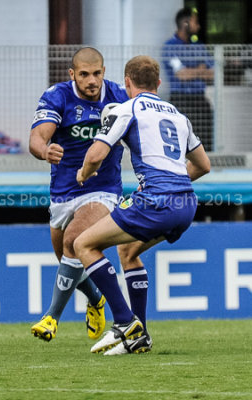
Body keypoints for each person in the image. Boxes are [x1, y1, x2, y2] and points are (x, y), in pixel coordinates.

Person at [74, 55, 211, 355]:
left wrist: (83, 174)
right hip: (185, 204)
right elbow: (203, 165)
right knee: (128, 251)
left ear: (126, 83)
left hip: (155, 202)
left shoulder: (128, 107)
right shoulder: (178, 115)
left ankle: (125, 321)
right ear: (159, 83)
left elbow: (96, 154)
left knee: (83, 244)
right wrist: (174, 182)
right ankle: (140, 337)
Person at [29, 47, 129, 342]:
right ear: (72, 74)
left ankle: (51, 318)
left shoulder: (119, 97)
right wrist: (44, 150)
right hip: (63, 192)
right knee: (66, 256)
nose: (92, 80)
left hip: (103, 189)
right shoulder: (57, 96)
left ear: (104, 72)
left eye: (97, 73)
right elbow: (37, 137)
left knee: (74, 239)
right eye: (84, 74)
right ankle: (96, 299)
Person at [162, 7, 214, 151]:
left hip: (200, 99)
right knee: (181, 142)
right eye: (195, 21)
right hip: (180, 101)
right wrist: (201, 69)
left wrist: (191, 71)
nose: (198, 25)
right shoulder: (170, 47)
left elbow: (214, 73)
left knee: (204, 143)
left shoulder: (199, 47)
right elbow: (181, 75)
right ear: (185, 23)